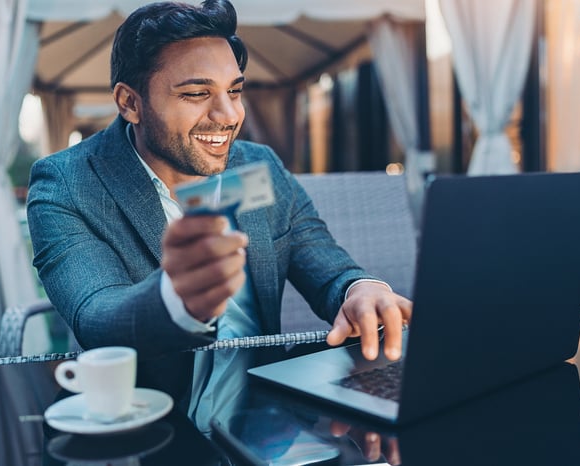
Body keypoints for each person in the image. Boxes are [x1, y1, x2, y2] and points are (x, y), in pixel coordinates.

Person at [27, 0, 412, 405]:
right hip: (152, 424)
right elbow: (97, 317)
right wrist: (179, 300)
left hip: (266, 412)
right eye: (196, 93)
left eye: (235, 90)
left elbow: (327, 265)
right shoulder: (67, 183)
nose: (228, 115)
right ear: (130, 103)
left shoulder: (258, 165)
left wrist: (360, 290)